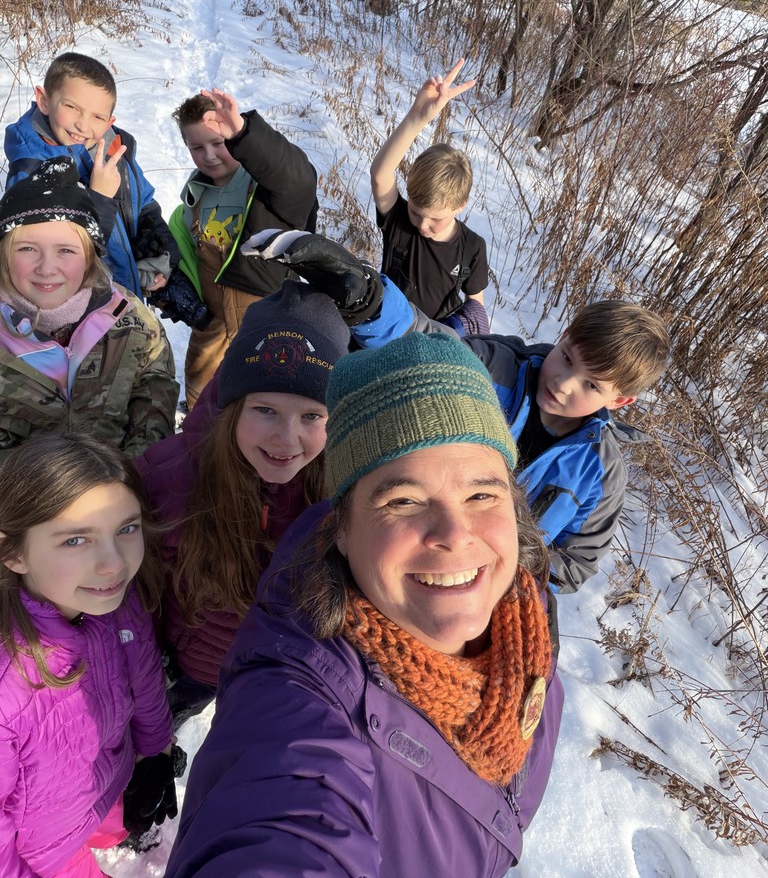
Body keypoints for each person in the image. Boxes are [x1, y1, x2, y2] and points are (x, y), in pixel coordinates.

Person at [165, 330, 563, 878]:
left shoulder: (530, 624)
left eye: (481, 494)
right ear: (342, 531)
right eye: (404, 500)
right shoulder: (303, 688)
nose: (454, 533)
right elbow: (282, 816)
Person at [240, 229, 671, 593]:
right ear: (562, 336)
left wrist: (506, 558)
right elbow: (426, 345)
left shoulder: (600, 471)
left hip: (484, 590)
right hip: (406, 545)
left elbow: (575, 564)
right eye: (567, 357)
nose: (563, 382)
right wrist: (367, 299)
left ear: (620, 401)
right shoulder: (496, 370)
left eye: (591, 384)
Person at [136, 280, 350, 727]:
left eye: (311, 416)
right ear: (232, 406)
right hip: (187, 671)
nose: (285, 440)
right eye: (265, 410)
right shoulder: (166, 479)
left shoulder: (344, 496)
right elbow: (138, 593)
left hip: (277, 681)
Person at [0, 431, 183, 878]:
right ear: (13, 552)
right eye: (76, 540)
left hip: (108, 786)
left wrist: (156, 752)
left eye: (126, 529)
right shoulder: (7, 685)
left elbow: (143, 679)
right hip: (44, 852)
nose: (115, 564)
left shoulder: (118, 601)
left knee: (111, 826)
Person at [0, 158, 179, 461]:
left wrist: (135, 475)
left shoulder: (131, 318)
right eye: (27, 248)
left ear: (89, 256)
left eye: (66, 251)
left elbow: (153, 388)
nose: (47, 268)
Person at [2, 51, 191, 310]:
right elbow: (52, 255)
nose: (83, 125)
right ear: (44, 101)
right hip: (79, 313)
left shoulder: (113, 149)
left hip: (123, 297)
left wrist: (158, 252)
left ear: (109, 121)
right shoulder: (31, 169)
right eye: (71, 107)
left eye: (97, 117)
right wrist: (99, 198)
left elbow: (143, 202)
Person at [168, 88, 319, 407]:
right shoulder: (194, 198)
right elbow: (180, 250)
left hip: (264, 315)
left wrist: (244, 133)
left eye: (219, 143)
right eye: (197, 147)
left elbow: (298, 178)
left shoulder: (264, 187)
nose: (209, 155)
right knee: (201, 391)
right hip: (212, 321)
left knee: (262, 392)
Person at [370, 57, 489, 333]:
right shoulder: (399, 221)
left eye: (434, 219)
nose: (422, 225)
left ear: (461, 206)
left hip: (434, 346)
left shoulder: (472, 248)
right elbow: (380, 175)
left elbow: (476, 311)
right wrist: (417, 116)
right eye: (416, 212)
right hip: (383, 334)